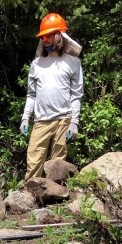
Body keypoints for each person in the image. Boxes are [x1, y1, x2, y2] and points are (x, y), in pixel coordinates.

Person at [21, 13, 84, 181]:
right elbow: (32, 94)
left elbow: (76, 95)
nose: (45, 40)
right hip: (41, 121)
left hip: (64, 120)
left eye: (48, 36)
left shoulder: (73, 63)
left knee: (58, 167)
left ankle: (56, 204)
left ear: (59, 36)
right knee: (33, 165)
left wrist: (74, 123)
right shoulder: (37, 64)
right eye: (43, 37)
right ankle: (27, 200)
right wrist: (25, 118)